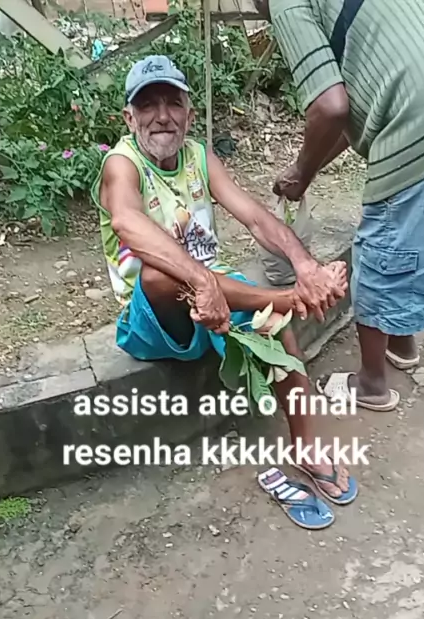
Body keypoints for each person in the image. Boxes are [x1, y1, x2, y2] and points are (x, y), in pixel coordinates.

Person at [91, 54, 358, 524]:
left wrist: (305, 266)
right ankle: (286, 300)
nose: (162, 116)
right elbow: (126, 221)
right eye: (147, 105)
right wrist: (200, 280)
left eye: (173, 103)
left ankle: (306, 449)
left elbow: (254, 216)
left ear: (189, 114)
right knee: (158, 275)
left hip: (218, 297)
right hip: (155, 319)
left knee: (277, 330)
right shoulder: (122, 163)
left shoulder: (199, 156)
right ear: (129, 118)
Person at [255, 0, 424, 411]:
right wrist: (305, 170)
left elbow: (330, 107)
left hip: (423, 117)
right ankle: (401, 341)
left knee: (383, 248)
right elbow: (359, 110)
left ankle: (371, 384)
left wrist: (302, 173)